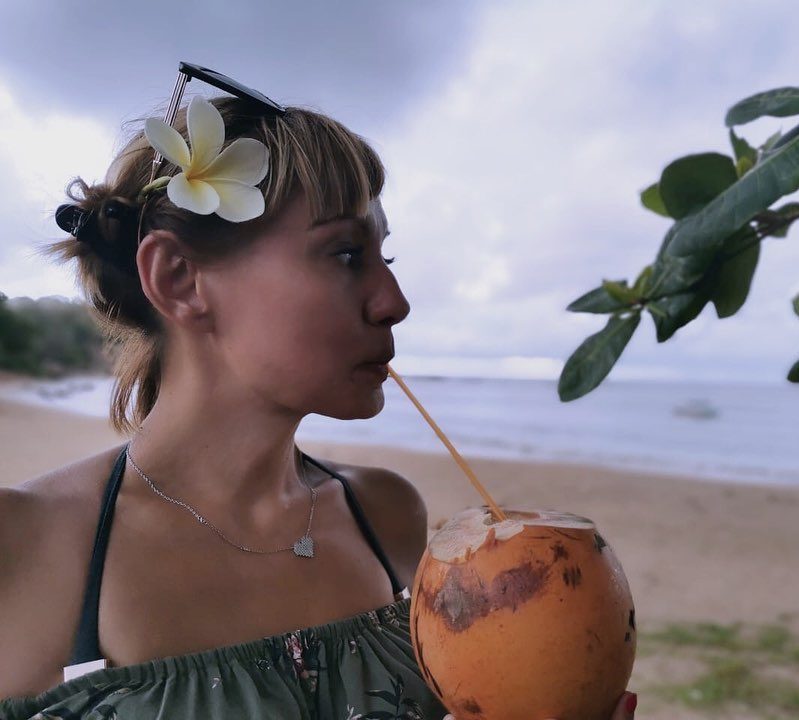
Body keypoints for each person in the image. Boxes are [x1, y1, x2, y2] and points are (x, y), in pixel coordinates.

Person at [0, 65, 636, 719]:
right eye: (345, 254)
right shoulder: (23, 544)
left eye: (385, 258)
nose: (394, 302)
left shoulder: (385, 514)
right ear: (180, 279)